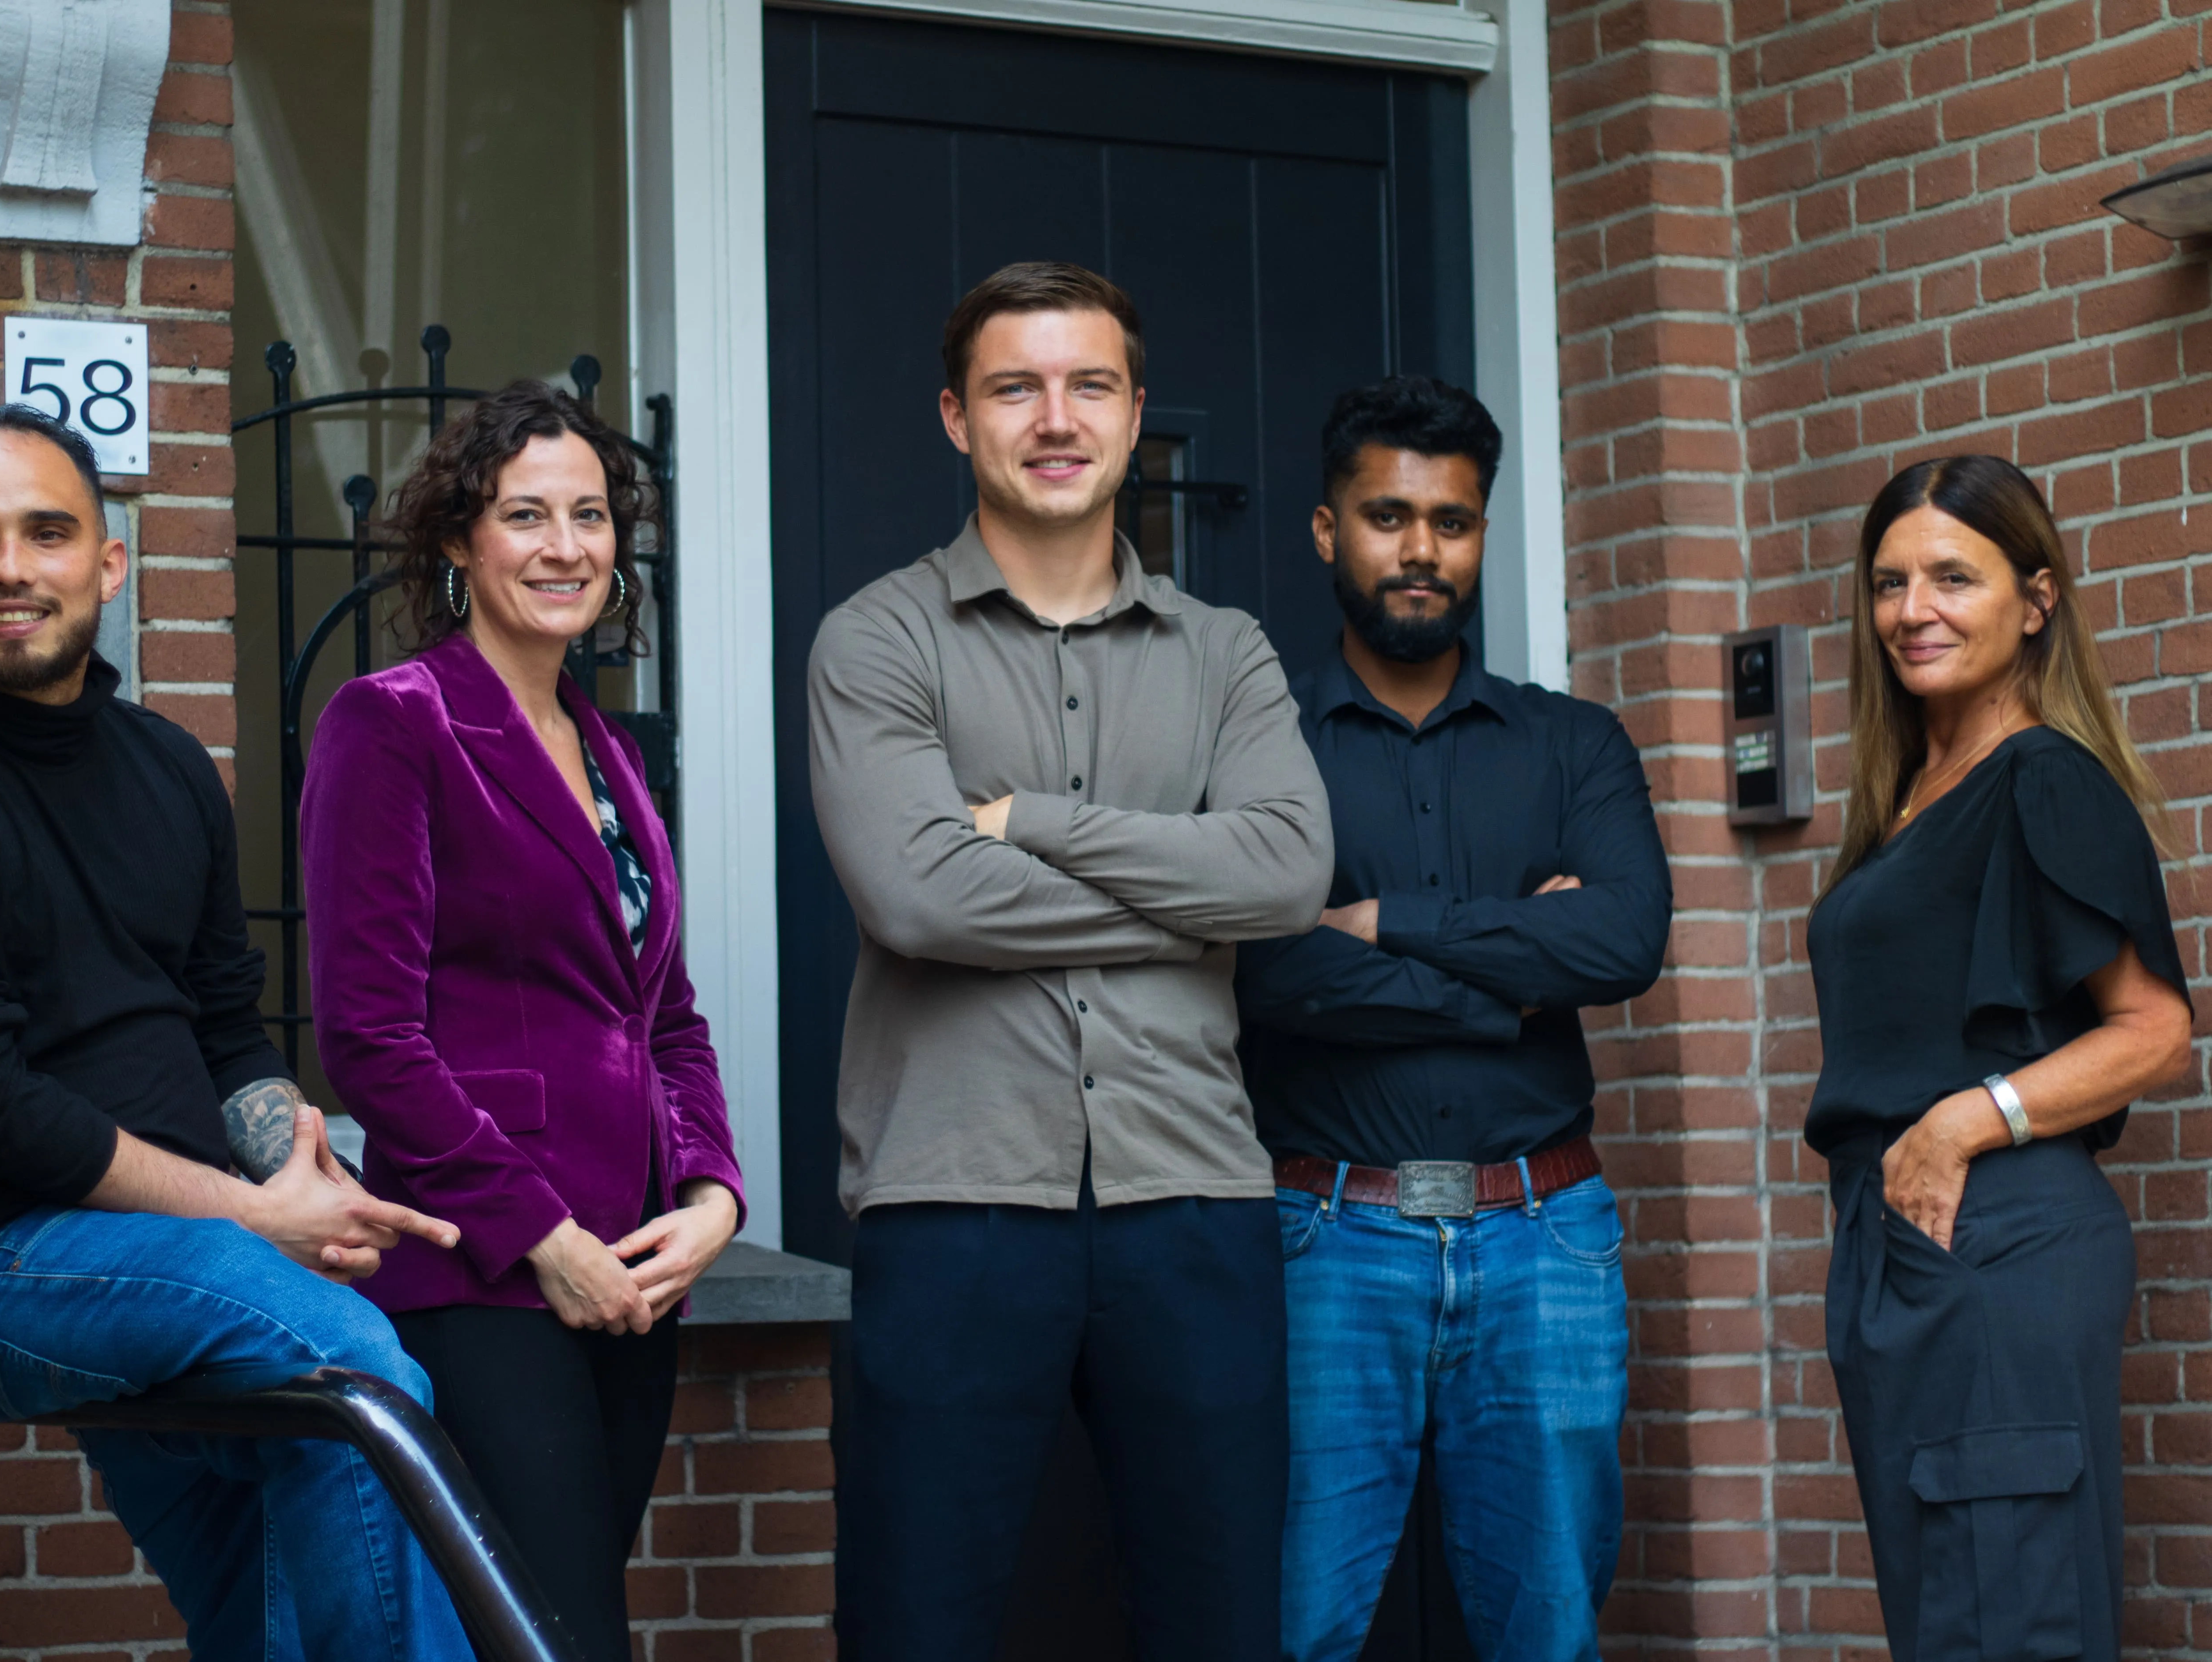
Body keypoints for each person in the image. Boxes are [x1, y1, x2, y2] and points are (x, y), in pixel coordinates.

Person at [0, 405, 475, 1662]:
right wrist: (251, 1216)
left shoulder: (167, 770)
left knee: (276, 1552)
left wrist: (290, 1170)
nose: (9, 568)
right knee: (346, 1372)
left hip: (167, 1254)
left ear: (109, 563)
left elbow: (225, 1024)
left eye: (48, 532)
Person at [807, 260, 1333, 1661]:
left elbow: (1288, 871)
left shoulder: (1225, 654)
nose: (1055, 417)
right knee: (920, 1619)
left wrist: (1031, 825)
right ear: (953, 418)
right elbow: (920, 900)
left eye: (1088, 384)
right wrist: (1194, 892)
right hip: (951, 1194)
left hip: (1195, 1200)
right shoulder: (877, 639)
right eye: (1014, 387)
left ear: (1135, 410)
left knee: (1217, 1622)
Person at [302, 381, 744, 1662]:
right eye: (526, 515)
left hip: (636, 1275)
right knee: (553, 1641)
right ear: (458, 541)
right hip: (487, 1276)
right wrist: (543, 1238)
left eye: (592, 516)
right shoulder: (393, 724)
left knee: (557, 1624)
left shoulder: (610, 755)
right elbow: (371, 1040)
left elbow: (668, 1016)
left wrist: (712, 1197)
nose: (565, 547)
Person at [1233, 376, 1671, 1661]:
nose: (1421, 550)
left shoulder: (1575, 745)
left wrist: (1384, 921)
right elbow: (1260, 976)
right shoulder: (1261, 752)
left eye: (1452, 521)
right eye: (1387, 515)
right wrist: (1512, 971)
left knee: (1546, 1635)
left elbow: (1622, 942)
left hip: (1547, 1240)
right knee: (1291, 1628)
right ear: (1327, 532)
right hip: (1326, 1236)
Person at [1806, 455, 2192, 1662]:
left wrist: (1964, 1119)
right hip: (1904, 1239)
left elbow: (2154, 1029)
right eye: (1887, 582)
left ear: (2035, 600)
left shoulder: (2042, 779)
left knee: (2005, 1620)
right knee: (1951, 1618)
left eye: (1951, 578)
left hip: (1993, 1231)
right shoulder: (1909, 796)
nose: (1911, 610)